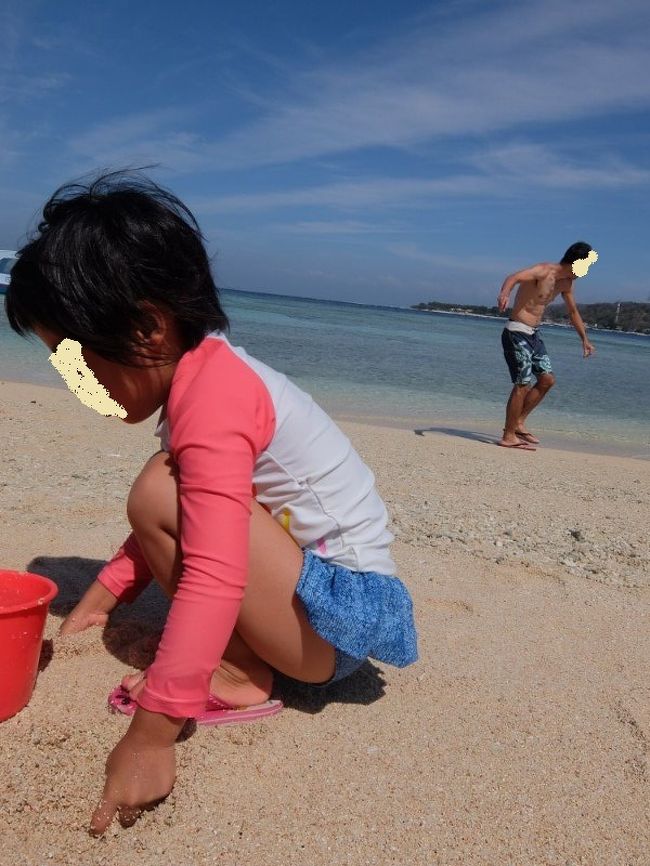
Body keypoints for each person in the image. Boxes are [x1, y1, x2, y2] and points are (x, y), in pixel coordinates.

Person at [4, 171, 418, 835]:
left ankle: (241, 671)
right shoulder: (205, 377)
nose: (75, 382)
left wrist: (152, 736)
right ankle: (239, 655)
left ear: (147, 329)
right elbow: (195, 511)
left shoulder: (216, 399)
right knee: (164, 484)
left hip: (332, 629)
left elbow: (216, 566)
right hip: (323, 615)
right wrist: (100, 599)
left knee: (155, 487)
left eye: (76, 361)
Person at [496, 242, 596, 450]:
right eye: (586, 266)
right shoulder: (543, 271)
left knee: (547, 380)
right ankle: (508, 435)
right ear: (576, 262)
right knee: (522, 384)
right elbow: (513, 278)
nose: (586, 272)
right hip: (516, 331)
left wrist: (584, 339)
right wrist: (505, 293)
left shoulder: (567, 284)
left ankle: (519, 422)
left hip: (534, 335)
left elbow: (573, 312)